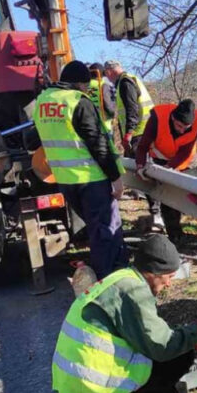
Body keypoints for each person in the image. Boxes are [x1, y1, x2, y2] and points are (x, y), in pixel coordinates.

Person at [53, 235, 197, 393]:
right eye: (169, 277)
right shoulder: (134, 291)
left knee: (164, 348)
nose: (169, 284)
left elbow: (146, 332)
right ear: (154, 273)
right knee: (179, 357)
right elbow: (163, 346)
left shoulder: (121, 278)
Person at [29, 60, 127, 277]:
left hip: (65, 180)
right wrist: (115, 178)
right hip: (91, 177)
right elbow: (98, 144)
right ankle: (111, 278)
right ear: (79, 83)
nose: (86, 90)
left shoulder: (43, 101)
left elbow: (34, 137)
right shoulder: (77, 101)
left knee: (95, 229)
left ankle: (110, 272)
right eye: (85, 86)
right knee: (106, 231)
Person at [134, 99, 197, 241]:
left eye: (186, 127)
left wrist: (169, 168)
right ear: (173, 118)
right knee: (168, 197)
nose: (182, 130)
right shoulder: (157, 118)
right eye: (179, 126)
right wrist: (140, 166)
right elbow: (143, 146)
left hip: (186, 160)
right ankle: (175, 236)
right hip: (161, 156)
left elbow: (185, 152)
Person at [103, 60, 155, 156]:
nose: (108, 79)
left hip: (137, 134)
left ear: (108, 72)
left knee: (136, 163)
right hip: (144, 131)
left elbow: (132, 108)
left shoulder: (125, 82)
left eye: (106, 75)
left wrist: (129, 132)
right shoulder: (130, 79)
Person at [87, 62, 116, 139]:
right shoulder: (103, 85)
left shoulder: (84, 86)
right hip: (103, 126)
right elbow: (108, 106)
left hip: (88, 125)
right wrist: (114, 114)